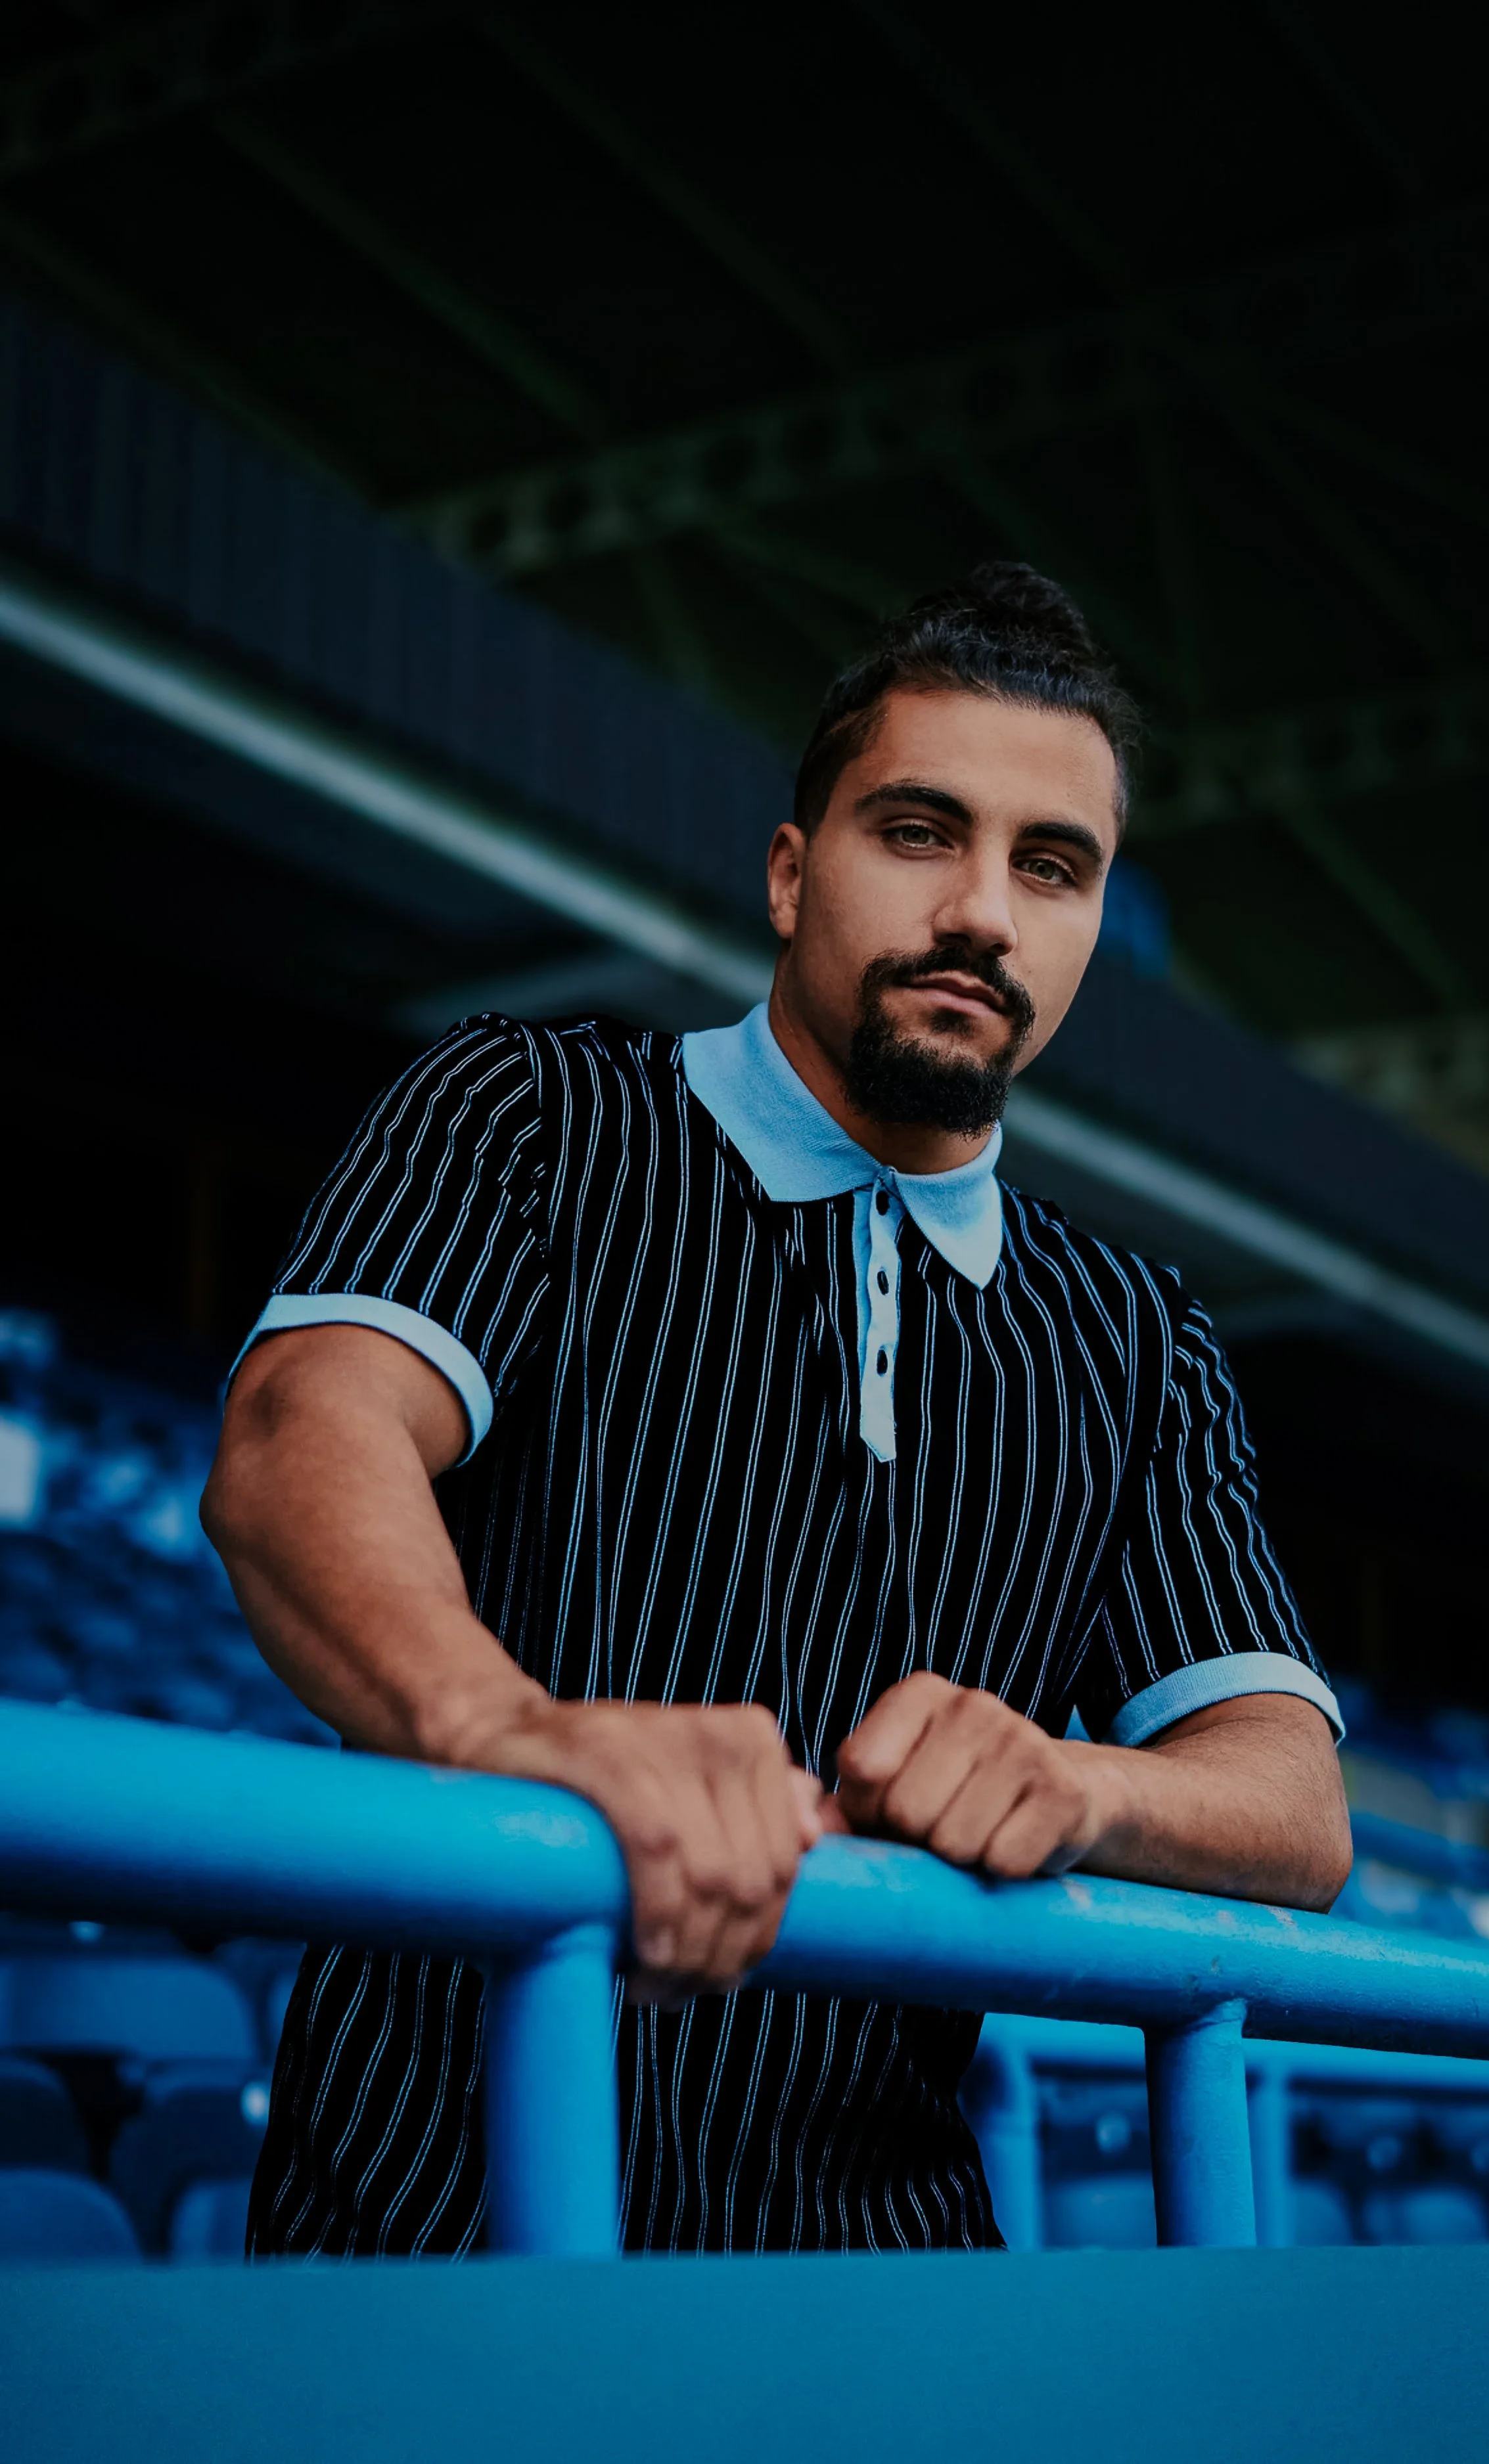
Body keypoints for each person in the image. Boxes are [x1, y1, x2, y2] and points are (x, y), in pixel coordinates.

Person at [205, 563, 1351, 2258]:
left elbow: (1294, 1802)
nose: (982, 911)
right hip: (440, 2224)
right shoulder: (533, 1112)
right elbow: (305, 1438)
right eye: (918, 832)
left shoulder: (1135, 1335)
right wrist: (504, 1728)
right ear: (789, 870)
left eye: (1051, 868)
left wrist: (1081, 1785)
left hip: (883, 2282)